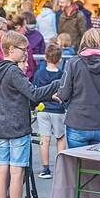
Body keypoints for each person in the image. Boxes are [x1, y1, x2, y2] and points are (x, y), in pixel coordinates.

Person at [0, 31, 60, 198]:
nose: (26, 54)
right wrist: (56, 84)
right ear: (11, 49)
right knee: (17, 171)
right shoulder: (13, 71)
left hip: (2, 126)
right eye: (24, 50)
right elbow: (33, 93)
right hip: (17, 127)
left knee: (2, 169)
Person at [58, 28, 100, 151]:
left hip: (77, 122)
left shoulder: (74, 62)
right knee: (97, 166)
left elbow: (63, 94)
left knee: (77, 165)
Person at [32, 44, 68, 179]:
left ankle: (46, 169)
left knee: (44, 139)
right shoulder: (62, 75)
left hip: (43, 109)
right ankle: (61, 169)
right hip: (58, 110)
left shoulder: (39, 74)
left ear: (45, 57)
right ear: (60, 60)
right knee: (60, 137)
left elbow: (34, 90)